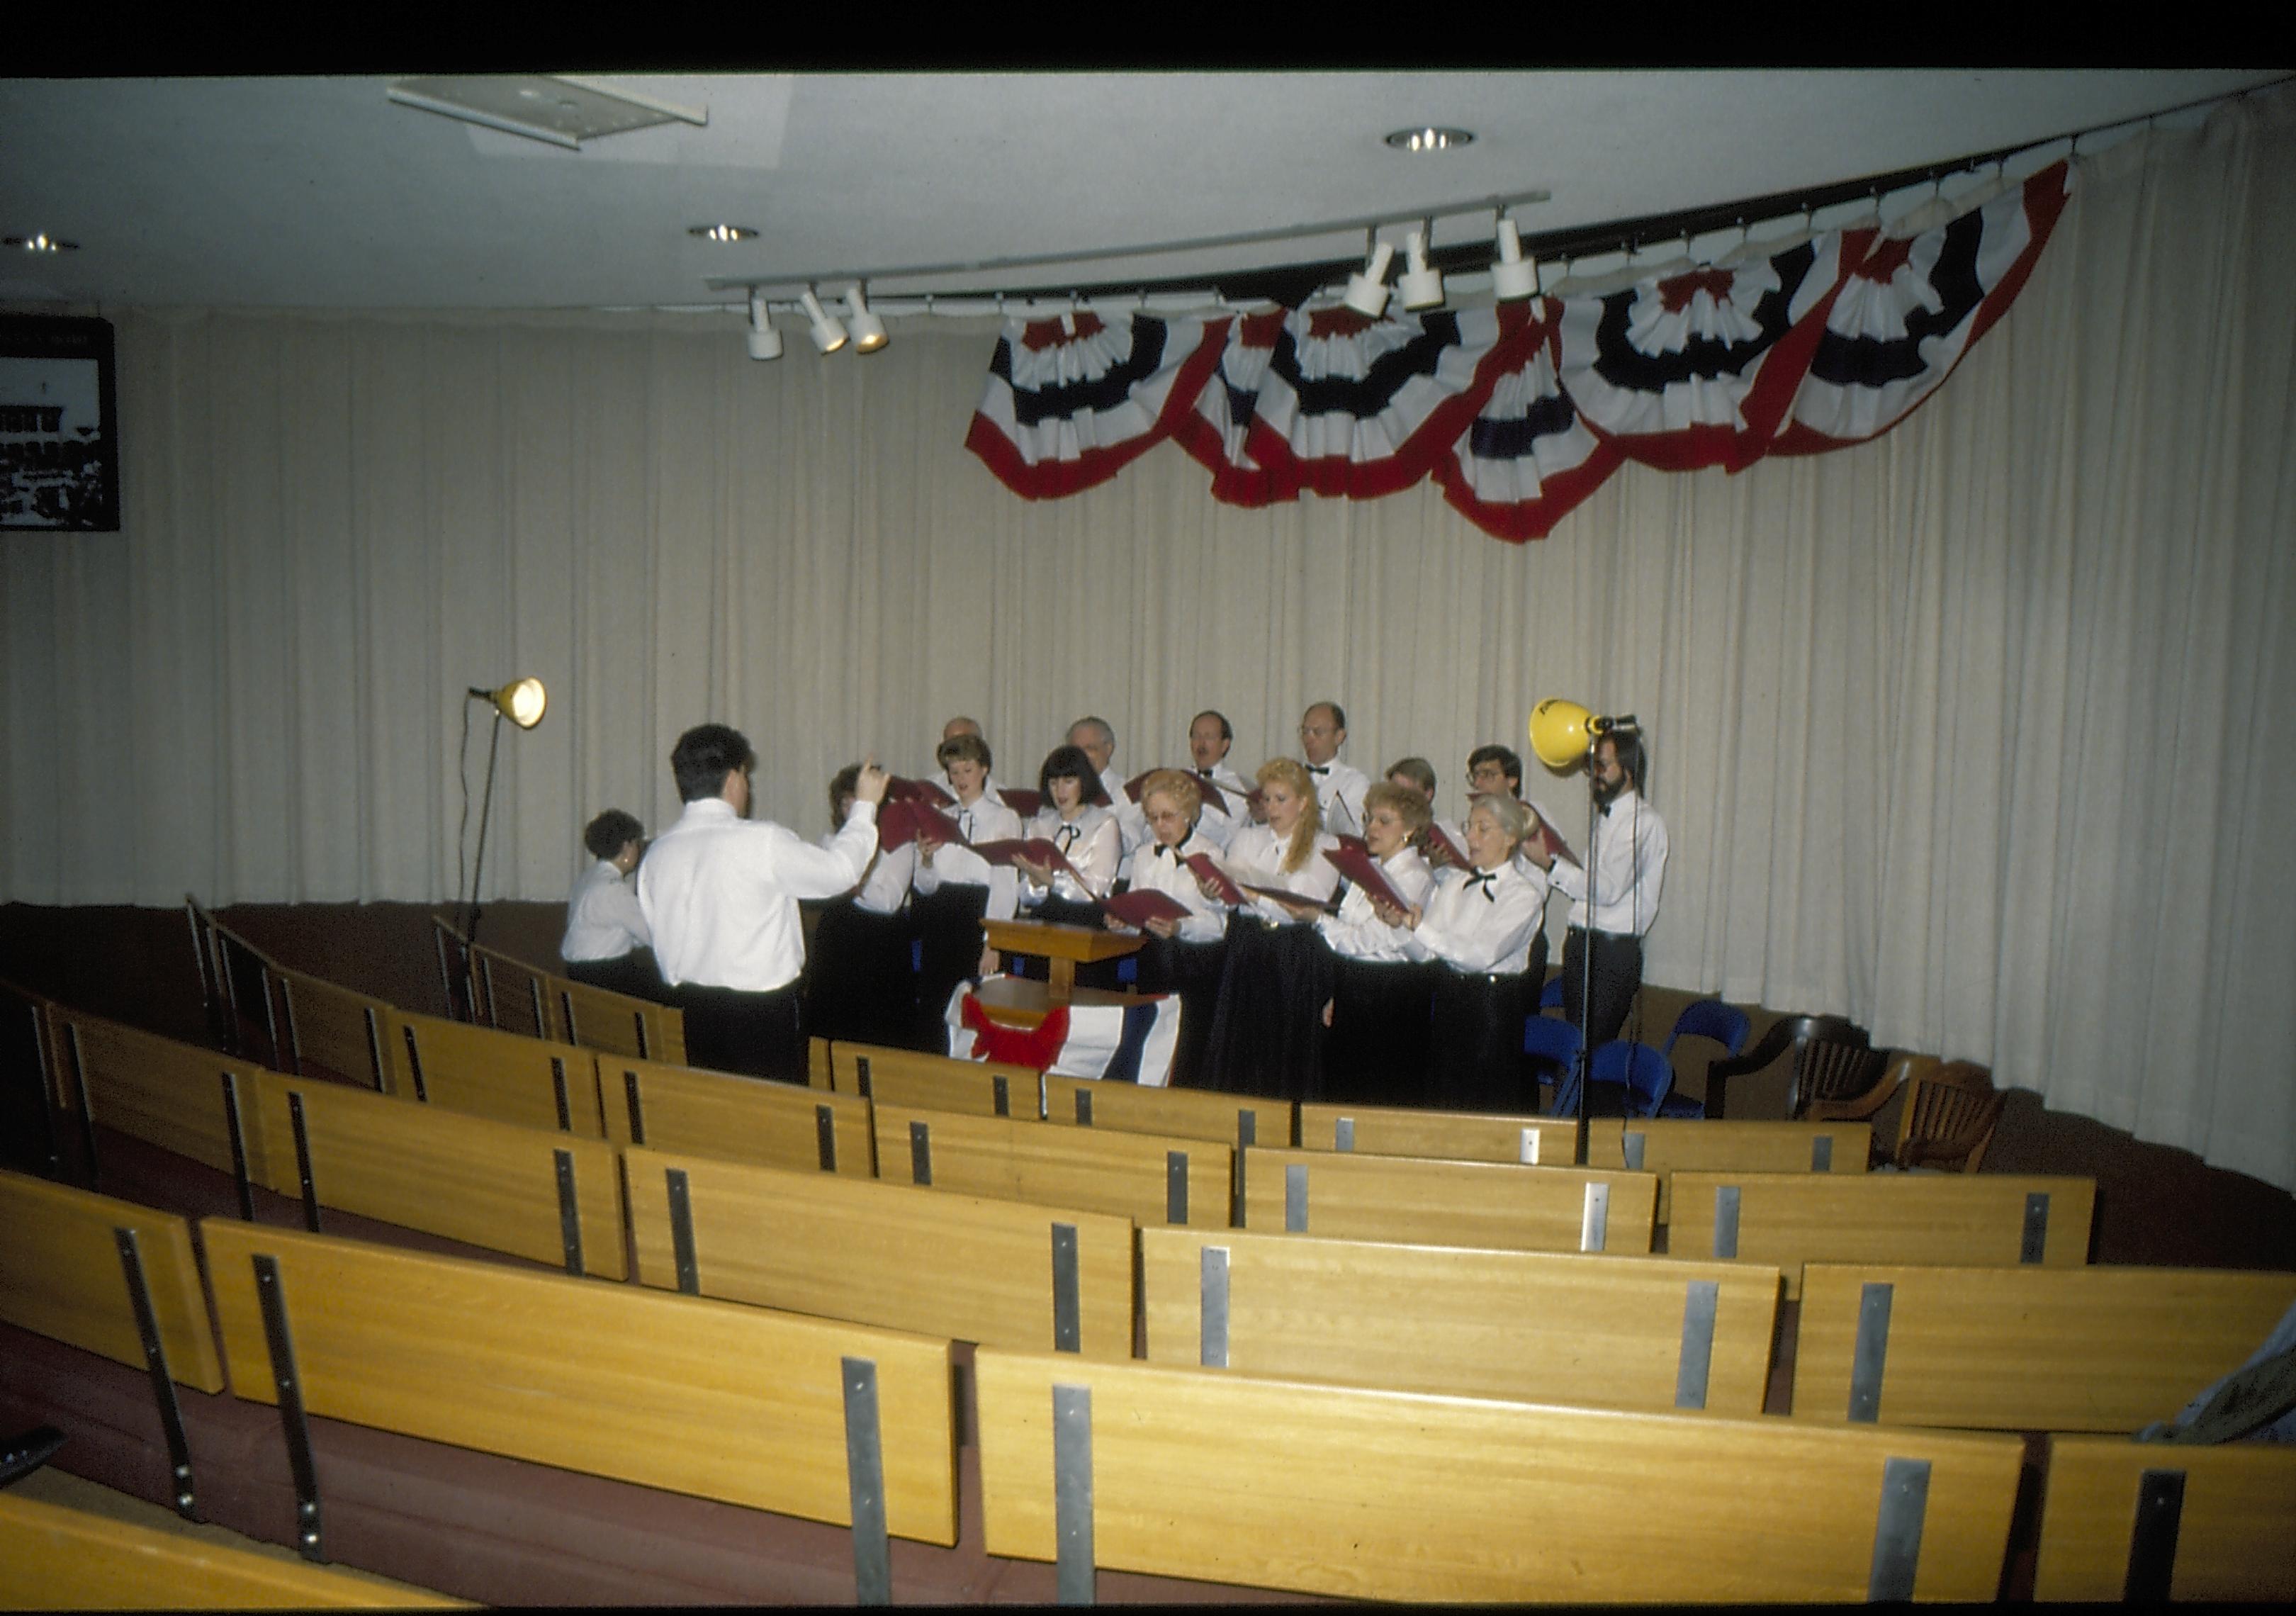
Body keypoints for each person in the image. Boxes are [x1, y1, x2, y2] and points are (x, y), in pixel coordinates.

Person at [638, 723, 886, 1082]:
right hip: (762, 1015)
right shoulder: (762, 841)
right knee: (776, 1123)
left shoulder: (657, 854)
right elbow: (841, 872)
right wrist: (864, 807)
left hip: (694, 1011)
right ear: (733, 779)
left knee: (718, 1115)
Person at [1380, 792, 1551, 1113]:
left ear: (1510, 838)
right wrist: (1399, 925)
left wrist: (1419, 927)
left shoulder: (1524, 896)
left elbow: (1480, 955)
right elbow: (1426, 955)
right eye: (1469, 826)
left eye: (1483, 828)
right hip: (1450, 1001)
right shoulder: (1455, 884)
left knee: (1484, 1107)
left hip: (1492, 1010)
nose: (1470, 837)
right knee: (1444, 1102)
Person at [1197, 757, 1341, 1099]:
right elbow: (1234, 900)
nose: (1272, 808)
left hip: (1293, 950)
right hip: (1248, 945)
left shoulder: (1325, 846)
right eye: (1267, 799)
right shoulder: (1247, 838)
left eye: (1281, 799)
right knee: (1242, 1042)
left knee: (1285, 1044)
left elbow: (1307, 903)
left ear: (1303, 802)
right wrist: (1216, 893)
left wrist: (1254, 894)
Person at [1529, 727, 1667, 1054]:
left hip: (1610, 954)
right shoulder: (1607, 817)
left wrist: (1551, 866)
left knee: (1588, 1056)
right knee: (1577, 1052)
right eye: (1592, 768)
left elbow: (1607, 890)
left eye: (1603, 766)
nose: (1594, 776)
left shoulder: (1643, 822)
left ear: (1629, 770)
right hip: (1585, 947)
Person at [1317, 782, 1439, 1105]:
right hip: (1357, 985)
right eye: (1369, 819)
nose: (1371, 828)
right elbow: (1349, 925)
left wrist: (1316, 919)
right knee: (1344, 1090)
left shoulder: (1415, 875)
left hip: (1390, 993)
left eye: (1384, 821)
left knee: (1379, 1091)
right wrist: (1337, 992)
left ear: (1411, 829)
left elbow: (1375, 938)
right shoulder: (1370, 867)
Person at [1108, 768, 1230, 1087]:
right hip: (1152, 961)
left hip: (1194, 965)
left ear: (1189, 813)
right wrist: (1122, 922)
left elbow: (1218, 925)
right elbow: (1138, 915)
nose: (1160, 826)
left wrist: (1180, 927)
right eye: (1152, 818)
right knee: (1145, 1043)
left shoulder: (1211, 854)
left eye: (1168, 816)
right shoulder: (1144, 855)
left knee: (1186, 1052)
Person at [911, 731, 1023, 1042]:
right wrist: (927, 859)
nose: (960, 778)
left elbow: (1004, 885)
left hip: (978, 916)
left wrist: (994, 942)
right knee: (937, 1005)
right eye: (954, 771)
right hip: (941, 918)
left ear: (985, 770)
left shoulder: (1003, 817)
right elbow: (925, 887)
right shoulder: (941, 816)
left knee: (976, 1007)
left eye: (968, 770)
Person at [801, 765, 919, 1051]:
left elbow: (888, 901)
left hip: (880, 943)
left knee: (876, 1032)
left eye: (859, 800)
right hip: (839, 937)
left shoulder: (899, 844)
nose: (852, 808)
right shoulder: (833, 841)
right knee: (830, 1025)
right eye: (846, 803)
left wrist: (852, 879)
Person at [559, 808, 664, 1001]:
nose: (639, 850)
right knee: (676, 990)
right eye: (637, 844)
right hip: (604, 977)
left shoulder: (589, 877)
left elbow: (628, 933)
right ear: (626, 847)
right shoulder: (612, 890)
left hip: (581, 972)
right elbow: (652, 936)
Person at [1068, 715, 1144, 863]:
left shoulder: (1129, 792)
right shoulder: (1060, 792)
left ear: (1108, 749)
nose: (1082, 757)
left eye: (1090, 748)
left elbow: (1127, 843)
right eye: (1076, 751)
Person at [1180, 709, 1249, 850]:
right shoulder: (1178, 780)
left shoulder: (1237, 789)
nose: (1201, 743)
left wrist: (1197, 816)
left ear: (1225, 745)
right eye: (1196, 736)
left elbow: (1230, 839)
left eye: (1209, 737)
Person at [1298, 701, 1369, 837]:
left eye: (1318, 732)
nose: (1309, 739)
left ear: (1339, 737)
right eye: (1305, 731)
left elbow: (1355, 834)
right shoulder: (1290, 775)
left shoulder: (1354, 782)